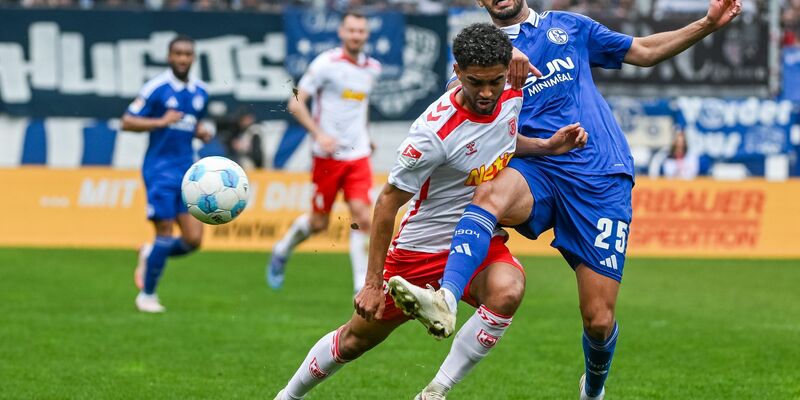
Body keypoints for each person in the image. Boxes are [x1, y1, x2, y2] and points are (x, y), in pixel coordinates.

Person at [394, 1, 742, 399]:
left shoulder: (569, 28)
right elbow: (464, 120)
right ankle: (446, 302)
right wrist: (503, 58)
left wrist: (708, 23)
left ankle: (593, 390)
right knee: (487, 193)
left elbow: (643, 52)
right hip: (538, 166)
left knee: (598, 320)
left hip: (600, 177)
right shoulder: (480, 59)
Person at [272, 23, 587, 400]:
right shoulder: (432, 134)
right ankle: (287, 396)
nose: (487, 93)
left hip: (475, 239)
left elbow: (501, 138)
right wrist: (372, 285)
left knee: (508, 290)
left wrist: (547, 145)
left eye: (495, 81)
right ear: (456, 72)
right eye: (475, 82)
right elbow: (388, 202)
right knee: (355, 339)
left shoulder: (513, 91)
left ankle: (435, 391)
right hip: (419, 251)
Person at [267, 12, 381, 293]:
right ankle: (282, 249)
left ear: (366, 35)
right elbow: (295, 102)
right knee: (319, 223)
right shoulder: (325, 64)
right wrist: (319, 134)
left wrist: (368, 135)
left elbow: (359, 106)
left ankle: (359, 285)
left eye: (361, 31)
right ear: (342, 32)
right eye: (351, 30)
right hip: (326, 157)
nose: (356, 35)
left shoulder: (372, 69)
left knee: (363, 217)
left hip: (358, 155)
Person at [123, 34, 211, 313]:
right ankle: (147, 295)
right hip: (160, 170)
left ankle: (149, 254)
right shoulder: (156, 88)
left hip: (189, 172)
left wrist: (199, 131)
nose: (183, 59)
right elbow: (127, 121)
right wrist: (161, 121)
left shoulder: (200, 92)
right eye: (178, 54)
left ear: (193, 58)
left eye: (188, 54)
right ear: (169, 57)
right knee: (164, 231)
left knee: (193, 240)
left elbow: (190, 123)